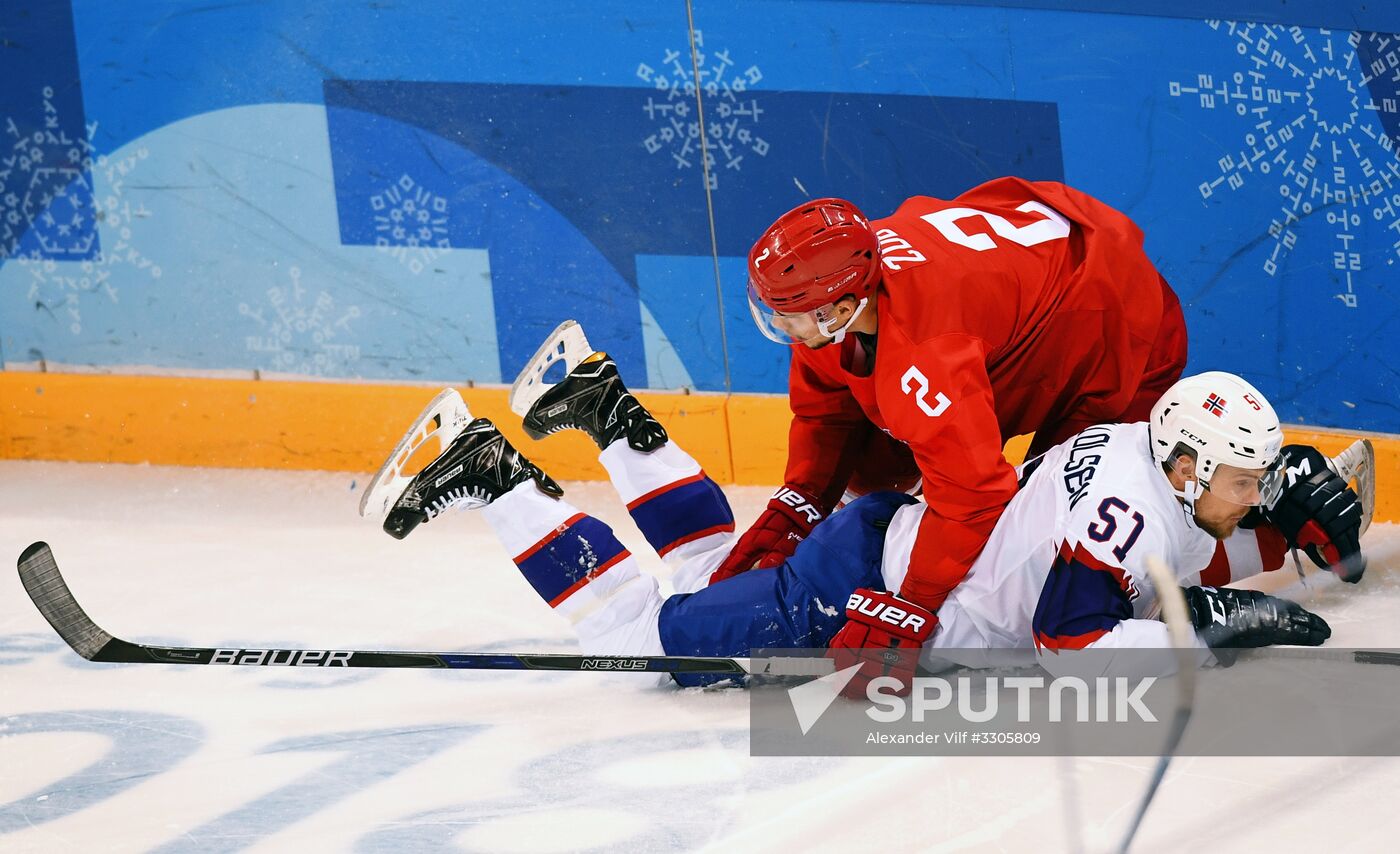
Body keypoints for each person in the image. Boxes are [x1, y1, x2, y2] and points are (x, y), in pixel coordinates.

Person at [368, 335, 1367, 688]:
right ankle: (493, 470)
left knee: (704, 572)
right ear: (1187, 465)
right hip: (861, 584)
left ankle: (604, 410)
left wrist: (1277, 541)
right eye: (1244, 477)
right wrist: (1206, 631)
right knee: (640, 634)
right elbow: (1067, 639)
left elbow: (1170, 554)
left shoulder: (1132, 446)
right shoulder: (1125, 513)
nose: (1252, 489)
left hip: (888, 537)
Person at [722, 181, 1194, 661]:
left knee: (1046, 532)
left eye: (788, 313)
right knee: (876, 456)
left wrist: (909, 604)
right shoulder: (847, 278)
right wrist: (801, 499)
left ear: (840, 312)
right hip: (1043, 277)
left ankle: (1204, 595)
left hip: (1122, 325)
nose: (780, 324)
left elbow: (975, 498)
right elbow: (826, 410)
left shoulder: (926, 352)